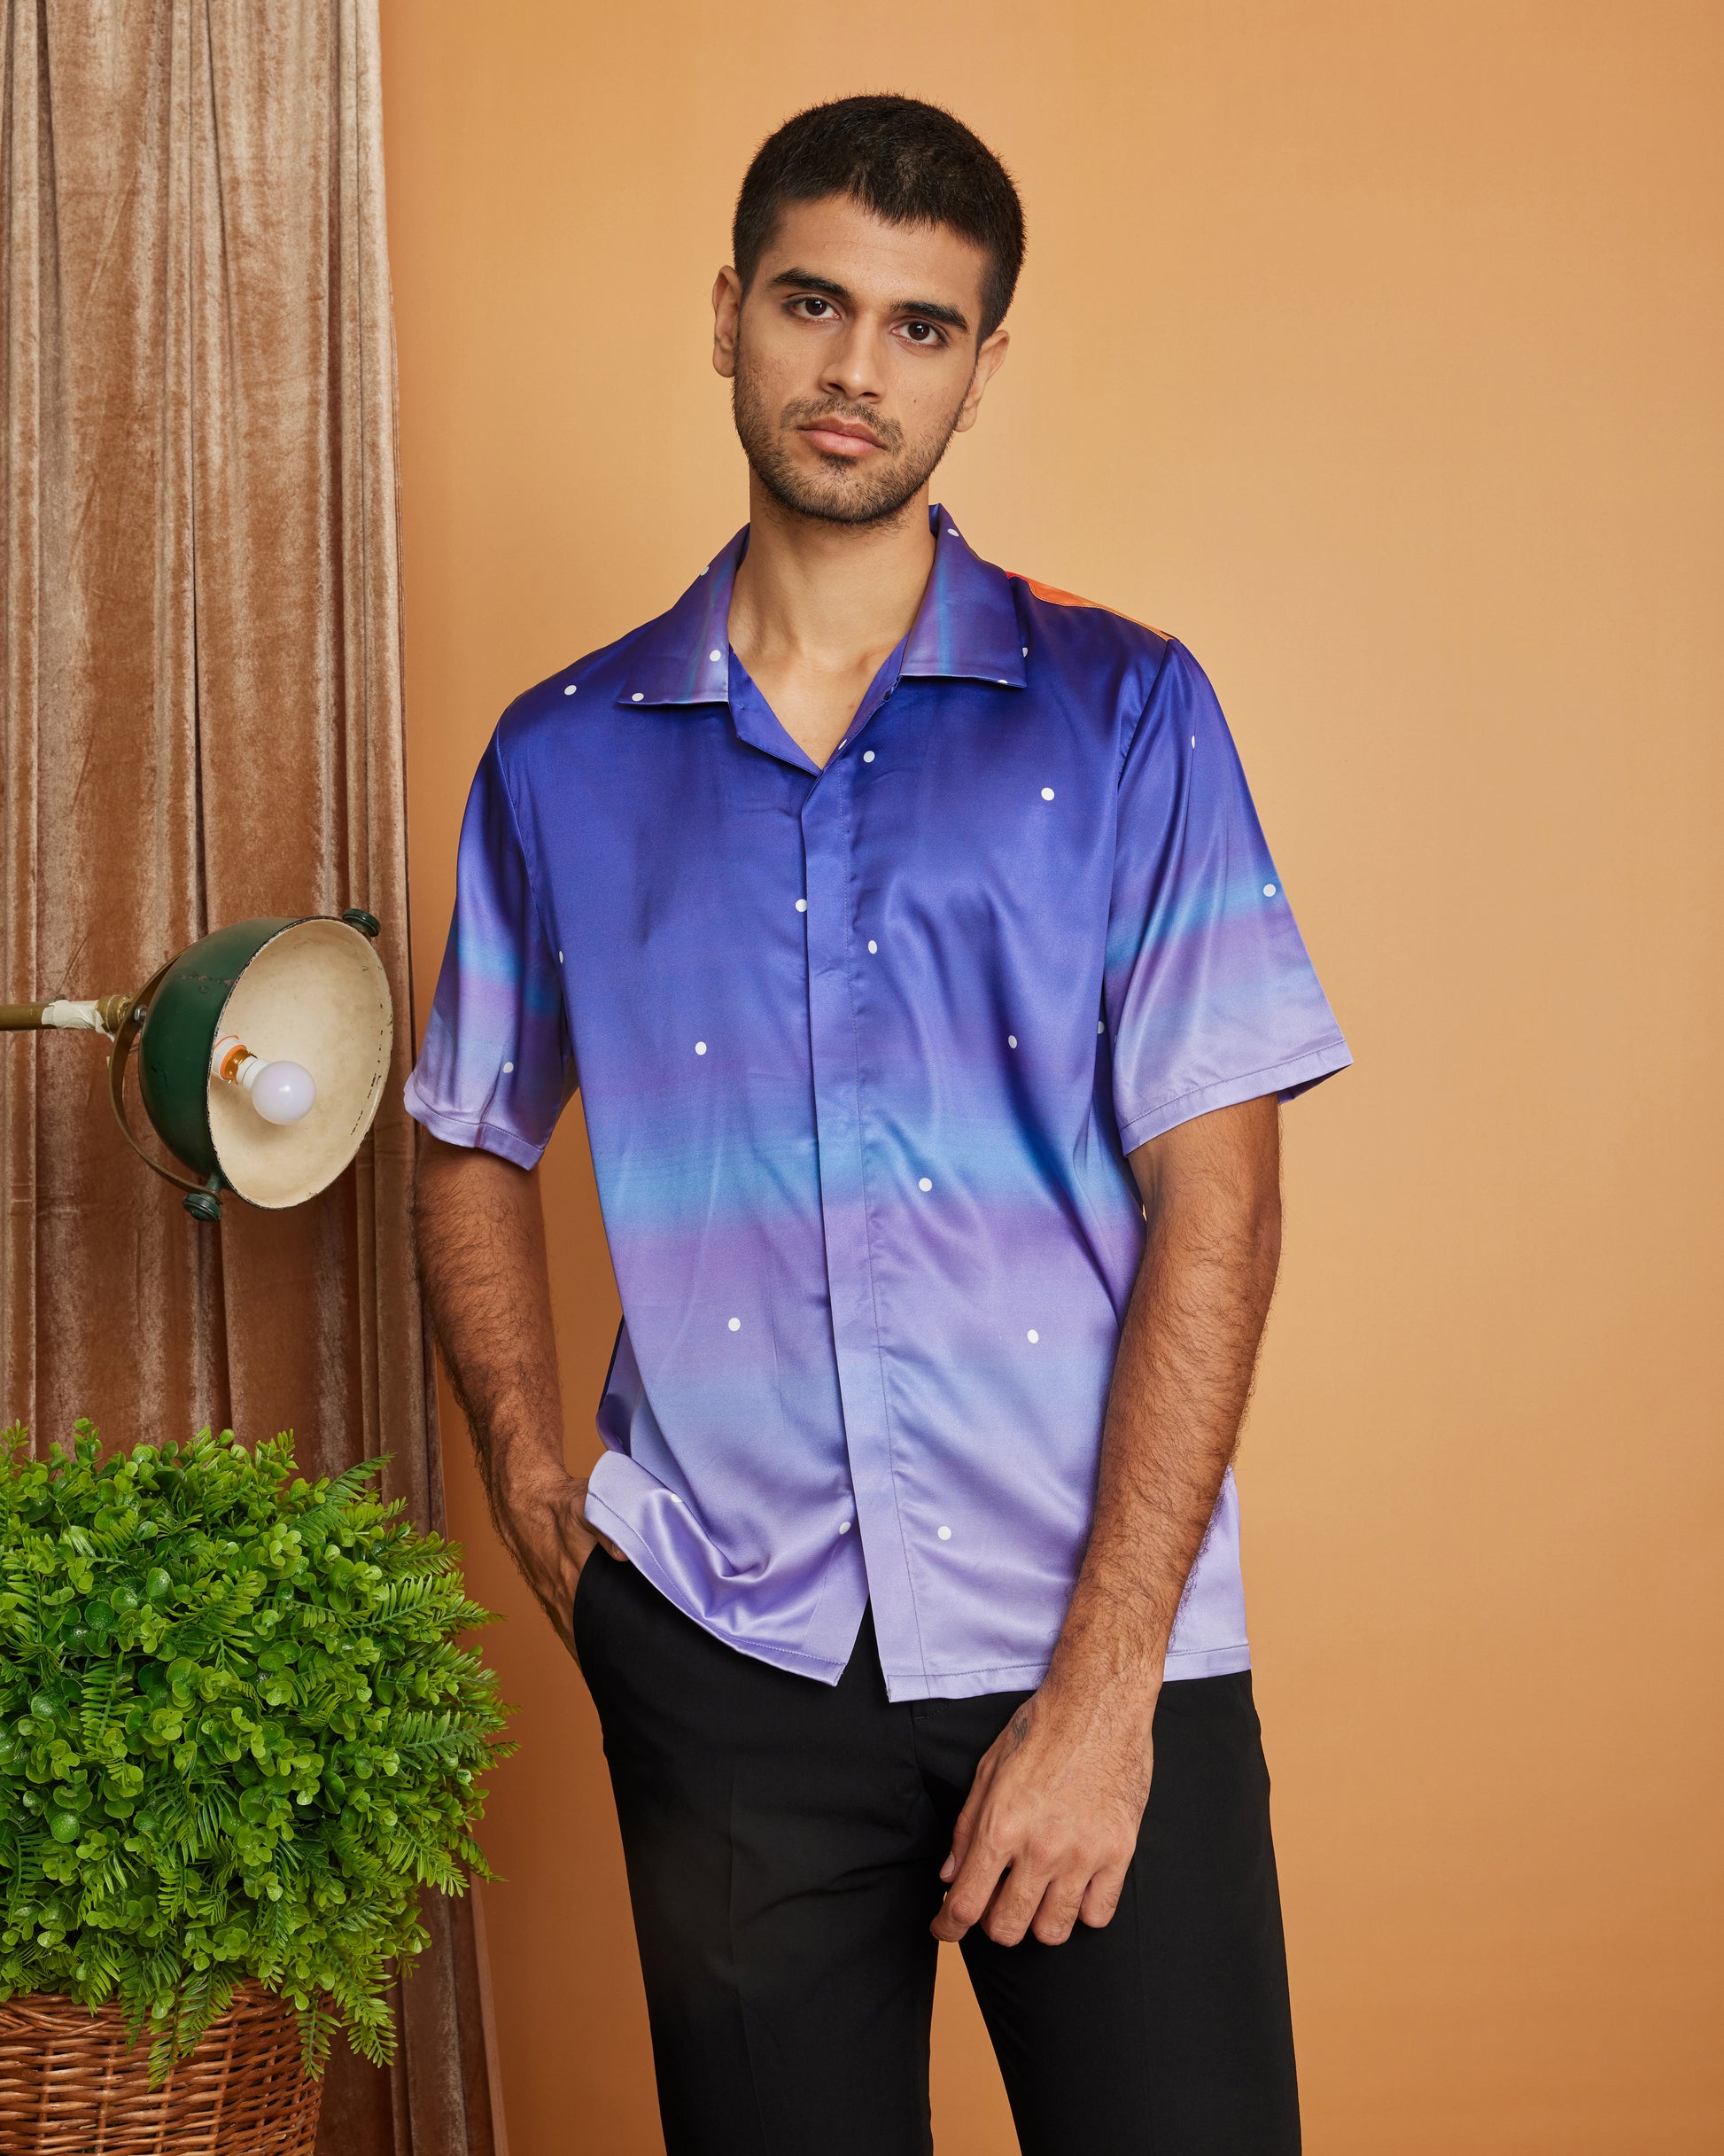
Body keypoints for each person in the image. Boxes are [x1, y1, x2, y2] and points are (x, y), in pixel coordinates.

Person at [409, 92, 1349, 2156]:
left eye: (921, 326)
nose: (856, 368)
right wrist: (534, 1484)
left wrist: (1104, 1689)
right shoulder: (560, 756)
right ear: (727, 312)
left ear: (981, 366)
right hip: (727, 1652)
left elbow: (1221, 1201)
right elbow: (467, 1128)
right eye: (812, 302)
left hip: (1091, 1638)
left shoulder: (1129, 714)